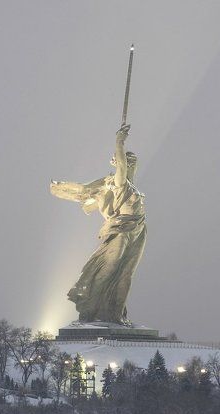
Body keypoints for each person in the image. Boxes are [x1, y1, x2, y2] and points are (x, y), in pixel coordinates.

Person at [50, 124, 147, 324]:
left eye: (135, 164)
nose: (133, 167)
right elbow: (120, 167)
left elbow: (123, 167)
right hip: (120, 230)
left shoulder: (132, 188)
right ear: (125, 165)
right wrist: (119, 141)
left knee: (126, 275)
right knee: (109, 269)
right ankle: (90, 308)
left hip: (138, 230)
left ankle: (115, 314)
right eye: (131, 164)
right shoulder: (119, 185)